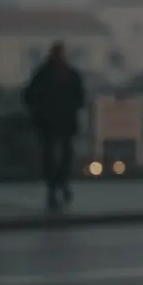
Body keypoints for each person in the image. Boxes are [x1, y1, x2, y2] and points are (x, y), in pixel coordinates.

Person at [23, 41, 86, 211]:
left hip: (50, 120)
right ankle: (60, 184)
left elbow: (29, 95)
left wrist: (38, 110)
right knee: (61, 154)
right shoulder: (70, 74)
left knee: (53, 155)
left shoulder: (43, 73)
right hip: (60, 120)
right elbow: (80, 97)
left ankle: (56, 186)